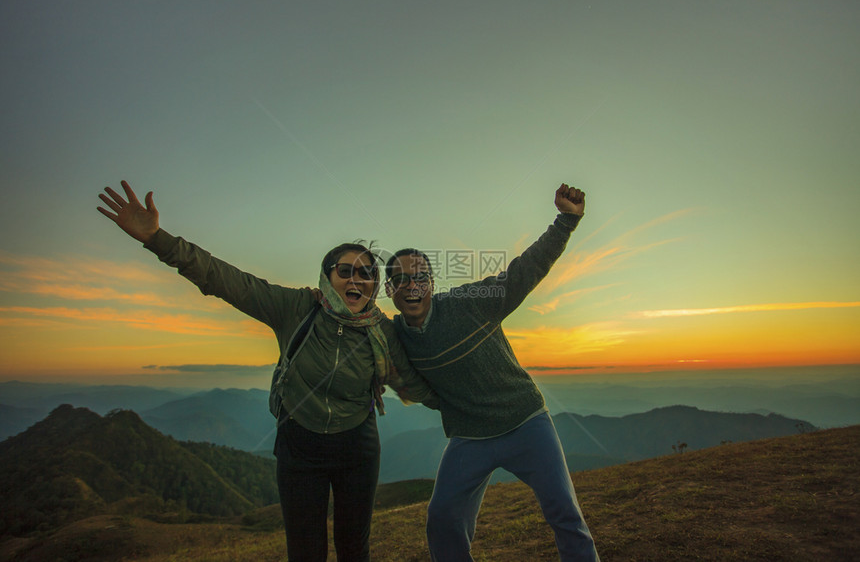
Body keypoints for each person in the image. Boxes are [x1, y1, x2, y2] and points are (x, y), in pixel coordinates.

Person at [97, 180, 438, 562]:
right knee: (305, 549)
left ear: (375, 286)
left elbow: (416, 384)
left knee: (353, 545)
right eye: (346, 270)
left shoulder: (382, 331)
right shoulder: (294, 308)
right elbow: (225, 280)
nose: (356, 279)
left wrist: (472, 406)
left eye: (366, 274)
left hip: (357, 446)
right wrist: (157, 239)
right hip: (299, 447)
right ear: (328, 276)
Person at [384, 184, 600, 561]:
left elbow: (524, 272)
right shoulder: (395, 336)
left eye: (419, 276)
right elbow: (361, 332)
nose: (411, 285)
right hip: (469, 436)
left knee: (565, 513)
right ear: (390, 290)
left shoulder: (470, 303)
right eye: (400, 279)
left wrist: (566, 220)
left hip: (526, 421)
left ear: (432, 283)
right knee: (442, 519)